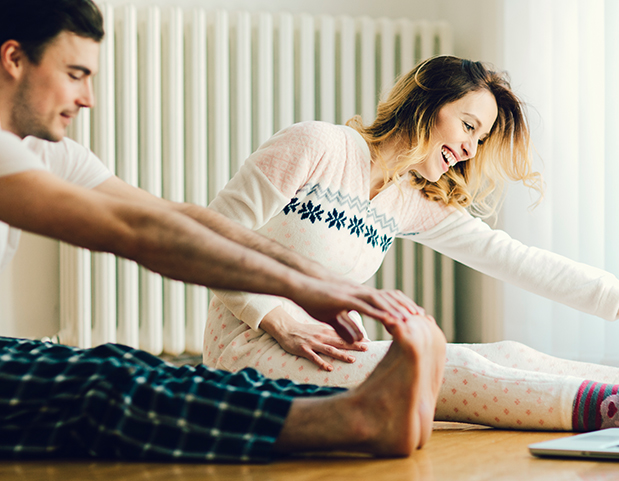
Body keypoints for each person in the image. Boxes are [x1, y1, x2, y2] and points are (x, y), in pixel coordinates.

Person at [0, 0, 447, 460]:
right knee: (103, 387)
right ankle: (356, 419)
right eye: (76, 74)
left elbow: (178, 216)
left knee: (126, 364)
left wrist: (318, 281)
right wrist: (299, 286)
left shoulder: (44, 150)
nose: (88, 98)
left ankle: (353, 407)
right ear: (14, 59)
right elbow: (134, 231)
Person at [203, 55, 619, 433]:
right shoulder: (317, 146)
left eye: (480, 138)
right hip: (247, 351)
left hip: (326, 350)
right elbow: (209, 238)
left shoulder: (408, 200)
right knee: (457, 368)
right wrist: (275, 316)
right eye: (468, 125)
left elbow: (518, 261)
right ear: (427, 102)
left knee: (509, 352)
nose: (470, 148)